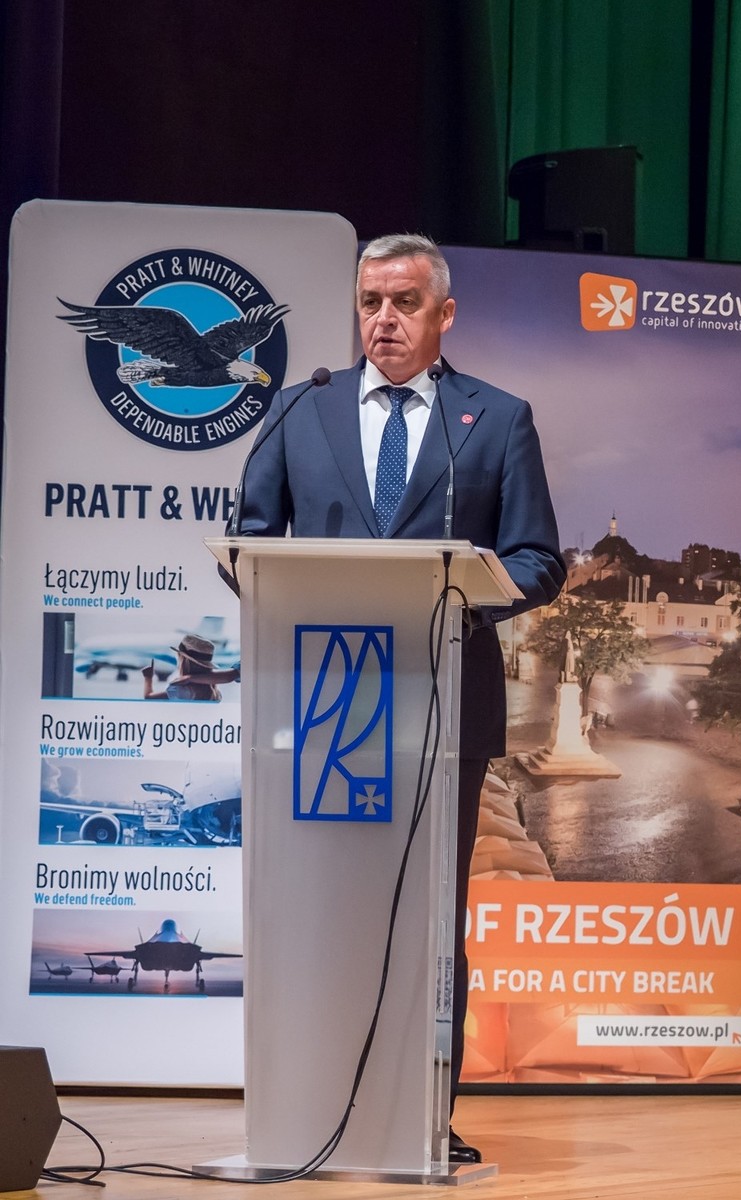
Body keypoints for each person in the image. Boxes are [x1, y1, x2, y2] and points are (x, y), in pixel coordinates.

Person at [235, 233, 565, 1164]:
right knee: (321, 911)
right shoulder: (301, 409)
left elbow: (540, 558)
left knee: (429, 922)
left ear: (443, 314)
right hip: (323, 708)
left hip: (444, 706)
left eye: (404, 302)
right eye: (370, 301)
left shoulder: (496, 420)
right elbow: (250, 542)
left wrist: (458, 593)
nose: (383, 319)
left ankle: (423, 1116)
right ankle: (308, 1106)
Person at [141, 634, 239, 700]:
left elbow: (149, 697)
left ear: (183, 660)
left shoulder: (178, 689)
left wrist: (148, 678)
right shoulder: (215, 693)